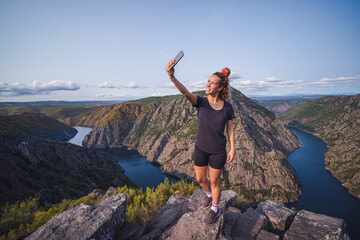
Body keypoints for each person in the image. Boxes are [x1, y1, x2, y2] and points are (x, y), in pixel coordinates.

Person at [165, 59, 235, 225]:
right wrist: (172, 77)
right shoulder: (201, 102)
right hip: (200, 148)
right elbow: (185, 93)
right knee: (200, 179)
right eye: (208, 81)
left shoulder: (227, 107)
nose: (208, 85)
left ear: (220, 88)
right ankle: (209, 195)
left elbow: (230, 129)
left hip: (218, 151)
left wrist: (233, 148)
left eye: (212, 83)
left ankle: (215, 209)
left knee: (215, 181)